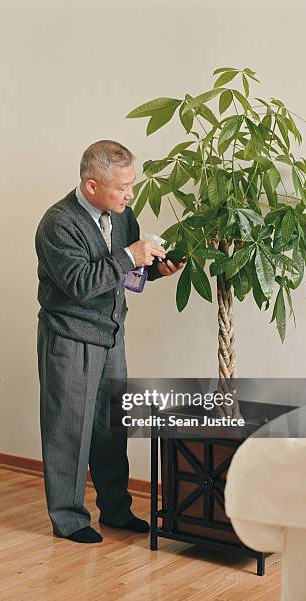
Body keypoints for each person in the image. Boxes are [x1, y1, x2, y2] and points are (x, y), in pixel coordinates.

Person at [35, 140, 184, 543]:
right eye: (122, 187)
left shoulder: (122, 215)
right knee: (69, 429)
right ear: (91, 186)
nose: (130, 194)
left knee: (111, 429)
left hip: (112, 335)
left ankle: (116, 510)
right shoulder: (58, 223)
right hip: (70, 337)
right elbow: (80, 284)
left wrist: (157, 269)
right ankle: (68, 519)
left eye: (131, 184)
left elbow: (125, 274)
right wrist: (129, 257)